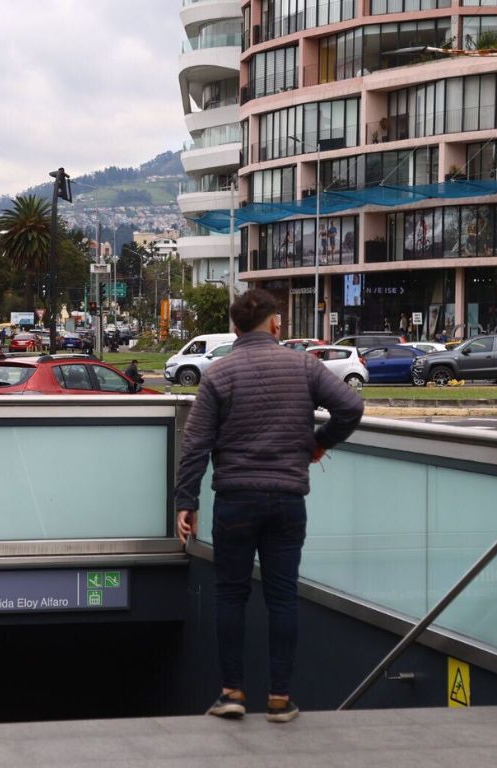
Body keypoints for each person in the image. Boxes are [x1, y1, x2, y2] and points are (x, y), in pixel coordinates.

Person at [174, 289, 363, 723]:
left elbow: (196, 444)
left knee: (230, 595)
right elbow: (351, 406)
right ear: (276, 325)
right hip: (287, 499)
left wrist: (187, 500)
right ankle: (280, 698)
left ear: (235, 328)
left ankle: (232, 693)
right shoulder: (304, 366)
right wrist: (318, 443)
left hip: (235, 499)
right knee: (282, 597)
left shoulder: (219, 374)